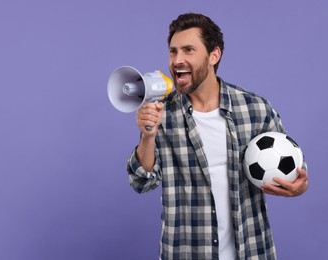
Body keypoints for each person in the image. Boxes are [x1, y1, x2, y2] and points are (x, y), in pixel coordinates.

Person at [127, 13, 309, 260]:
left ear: (214, 55)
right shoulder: (161, 112)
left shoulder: (254, 108)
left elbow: (294, 166)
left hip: (252, 250)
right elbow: (142, 183)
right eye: (173, 52)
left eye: (188, 50)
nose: (177, 60)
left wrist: (299, 186)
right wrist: (147, 136)